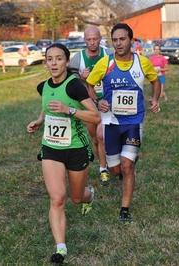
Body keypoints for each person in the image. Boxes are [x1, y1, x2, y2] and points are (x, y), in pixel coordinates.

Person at [27, 43, 100, 264]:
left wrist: (70, 110)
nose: (54, 63)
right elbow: (47, 106)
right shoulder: (43, 86)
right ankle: (61, 248)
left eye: (59, 59)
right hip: (51, 148)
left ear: (67, 62)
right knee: (58, 198)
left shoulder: (75, 86)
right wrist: (40, 120)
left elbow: (95, 117)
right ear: (46, 62)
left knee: (76, 198)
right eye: (50, 59)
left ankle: (90, 194)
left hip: (76, 149)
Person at [86, 23, 160, 224]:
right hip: (111, 122)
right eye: (115, 40)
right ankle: (124, 164)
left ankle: (124, 210)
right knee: (115, 170)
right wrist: (97, 101)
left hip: (134, 122)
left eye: (122, 39)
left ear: (131, 40)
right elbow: (90, 85)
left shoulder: (142, 62)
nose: (118, 43)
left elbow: (156, 81)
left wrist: (155, 99)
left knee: (127, 167)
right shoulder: (105, 63)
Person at [70, 25, 112, 186]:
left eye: (95, 39)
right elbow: (70, 80)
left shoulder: (107, 54)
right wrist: (81, 77)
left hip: (107, 102)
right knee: (95, 139)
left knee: (102, 137)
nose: (92, 42)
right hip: (89, 105)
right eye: (89, 39)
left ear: (100, 39)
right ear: (84, 40)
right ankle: (106, 162)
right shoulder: (78, 58)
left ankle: (103, 170)